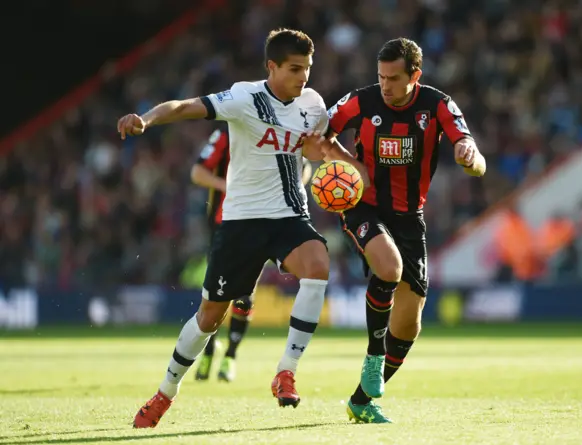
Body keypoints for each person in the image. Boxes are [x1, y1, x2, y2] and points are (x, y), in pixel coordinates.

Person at [118, 28, 331, 429]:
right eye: (294, 68)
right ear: (271, 66)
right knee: (209, 317)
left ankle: (286, 371)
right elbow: (183, 107)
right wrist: (146, 119)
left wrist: (337, 165)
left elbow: (310, 146)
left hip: (289, 215)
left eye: (307, 68)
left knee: (318, 265)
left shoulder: (313, 103)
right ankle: (165, 392)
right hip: (241, 221)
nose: (303, 76)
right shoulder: (244, 98)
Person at [309, 37, 486, 423]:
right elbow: (318, 139)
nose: (385, 85)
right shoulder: (361, 100)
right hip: (364, 205)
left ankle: (360, 400)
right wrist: (349, 164)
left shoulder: (437, 104)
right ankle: (373, 358)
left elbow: (471, 150)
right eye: (381, 77)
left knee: (409, 323)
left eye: (393, 78)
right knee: (389, 268)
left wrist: (471, 159)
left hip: (409, 217)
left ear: (415, 76)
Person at [191, 127, 313, 382]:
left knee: (245, 294)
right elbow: (198, 172)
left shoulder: (280, 130)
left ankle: (230, 356)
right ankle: (208, 350)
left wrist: (294, 186)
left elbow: (304, 165)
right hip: (224, 222)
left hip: (263, 221)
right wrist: (229, 186)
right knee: (216, 293)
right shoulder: (227, 133)